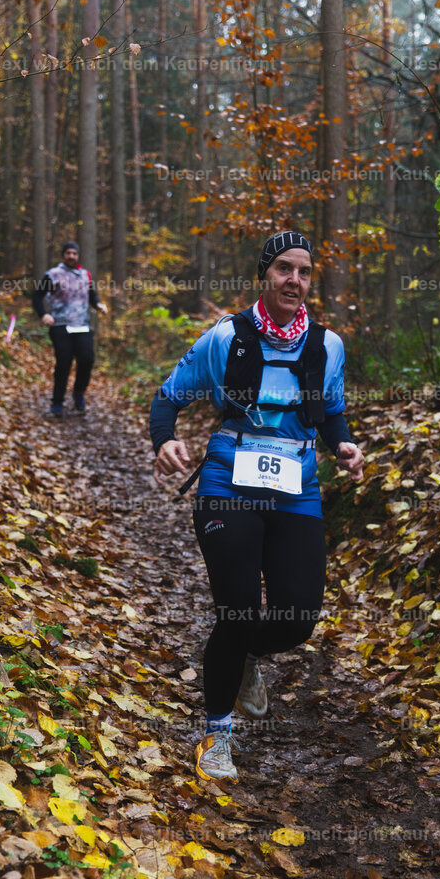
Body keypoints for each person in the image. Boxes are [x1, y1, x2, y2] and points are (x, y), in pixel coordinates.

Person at [149, 230, 364, 784]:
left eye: (305, 271)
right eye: (284, 269)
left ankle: (239, 654)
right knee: (238, 608)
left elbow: (333, 411)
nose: (295, 280)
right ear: (264, 275)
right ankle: (217, 734)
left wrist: (342, 443)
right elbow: (168, 396)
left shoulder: (327, 344)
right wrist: (164, 439)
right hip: (228, 482)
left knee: (297, 620)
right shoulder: (227, 336)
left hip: (297, 486)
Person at [32, 241, 107, 415]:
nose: (71, 256)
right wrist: (44, 314)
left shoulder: (84, 275)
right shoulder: (53, 274)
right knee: (64, 362)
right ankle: (57, 401)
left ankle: (78, 393)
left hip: (82, 325)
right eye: (68, 253)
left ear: (78, 256)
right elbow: (37, 296)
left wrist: (98, 305)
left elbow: (91, 295)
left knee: (87, 359)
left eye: (74, 253)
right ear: (63, 255)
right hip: (60, 325)